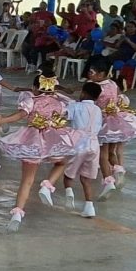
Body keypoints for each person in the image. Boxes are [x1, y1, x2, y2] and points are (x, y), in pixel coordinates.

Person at [0, 71, 86, 232]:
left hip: (32, 139)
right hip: (53, 138)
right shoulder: (59, 102)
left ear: (35, 88)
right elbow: (67, 113)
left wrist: (3, 120)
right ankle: (47, 185)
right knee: (61, 162)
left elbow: (20, 115)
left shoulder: (31, 100)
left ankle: (17, 213)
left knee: (27, 180)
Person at [38, 82, 103, 218]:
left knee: (67, 172)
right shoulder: (98, 110)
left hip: (79, 142)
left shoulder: (77, 106)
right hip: (94, 144)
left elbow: (63, 114)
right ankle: (89, 207)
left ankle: (66, 192)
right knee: (86, 178)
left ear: (83, 93)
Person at [87, 58, 136, 200]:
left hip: (101, 121)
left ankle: (108, 180)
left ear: (101, 74)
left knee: (103, 154)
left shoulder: (94, 87)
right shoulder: (113, 84)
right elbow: (119, 99)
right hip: (115, 121)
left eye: (92, 72)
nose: (89, 75)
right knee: (112, 151)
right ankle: (118, 169)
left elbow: (90, 105)